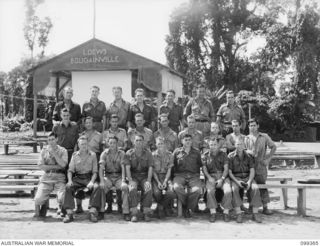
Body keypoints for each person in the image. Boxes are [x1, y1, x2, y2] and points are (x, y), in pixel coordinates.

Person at [62, 136, 102, 223]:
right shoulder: (74, 155)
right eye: (82, 144)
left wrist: (91, 182)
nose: (84, 146)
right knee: (68, 187)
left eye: (85, 144)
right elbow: (70, 170)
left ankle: (92, 211)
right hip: (78, 178)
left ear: (87, 144)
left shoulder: (93, 155)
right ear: (78, 145)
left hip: (89, 177)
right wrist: (70, 181)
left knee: (97, 187)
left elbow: (95, 172)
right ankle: (69, 213)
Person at [244, 118, 277, 215]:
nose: (252, 127)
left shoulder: (264, 136)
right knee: (250, 187)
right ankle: (251, 206)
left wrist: (268, 159)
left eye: (254, 125)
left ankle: (265, 207)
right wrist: (247, 151)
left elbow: (273, 147)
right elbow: (243, 149)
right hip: (249, 167)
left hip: (261, 166)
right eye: (250, 126)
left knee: (262, 186)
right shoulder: (246, 138)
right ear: (248, 127)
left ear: (258, 126)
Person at [33, 132, 68, 220]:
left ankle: (61, 208)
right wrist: (56, 166)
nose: (51, 142)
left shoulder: (63, 150)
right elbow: (41, 165)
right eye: (49, 140)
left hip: (59, 177)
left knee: (62, 198)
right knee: (38, 200)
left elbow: (63, 165)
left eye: (52, 139)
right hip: (47, 177)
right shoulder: (44, 150)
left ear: (57, 139)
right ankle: (44, 206)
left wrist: (54, 154)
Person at [228, 139, 263, 223]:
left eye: (241, 144)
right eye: (237, 144)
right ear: (235, 145)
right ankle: (239, 213)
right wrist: (237, 182)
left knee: (255, 188)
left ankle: (255, 213)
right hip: (236, 178)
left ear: (244, 146)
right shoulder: (230, 156)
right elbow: (229, 172)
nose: (239, 146)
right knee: (234, 189)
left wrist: (249, 181)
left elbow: (252, 170)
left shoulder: (248, 156)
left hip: (248, 177)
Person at [98, 136, 130, 221]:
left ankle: (126, 212)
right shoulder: (104, 153)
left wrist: (123, 180)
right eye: (111, 143)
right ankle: (101, 211)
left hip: (119, 176)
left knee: (125, 188)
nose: (112, 144)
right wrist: (101, 181)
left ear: (117, 144)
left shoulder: (122, 153)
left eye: (114, 143)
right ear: (108, 143)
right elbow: (101, 168)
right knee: (101, 187)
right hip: (108, 176)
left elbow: (123, 167)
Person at [76, 116, 102, 214]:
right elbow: (77, 148)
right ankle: (79, 206)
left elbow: (101, 149)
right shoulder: (81, 135)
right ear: (84, 124)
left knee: (95, 184)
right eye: (86, 123)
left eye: (90, 122)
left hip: (95, 160)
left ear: (93, 123)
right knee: (79, 183)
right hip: (83, 160)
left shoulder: (99, 135)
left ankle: (93, 205)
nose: (88, 124)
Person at [124, 135, 154, 222]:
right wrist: (130, 180)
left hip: (144, 176)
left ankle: (146, 211)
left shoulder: (148, 153)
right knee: (132, 188)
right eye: (137, 140)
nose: (138, 142)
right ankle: (134, 213)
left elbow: (150, 167)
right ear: (134, 142)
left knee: (148, 188)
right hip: (133, 176)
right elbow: (127, 168)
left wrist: (148, 180)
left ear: (143, 142)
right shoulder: (129, 153)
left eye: (140, 140)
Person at [202, 138, 232, 222]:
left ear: (218, 145)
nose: (213, 146)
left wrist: (222, 179)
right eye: (211, 145)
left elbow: (226, 169)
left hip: (223, 176)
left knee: (228, 191)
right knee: (210, 191)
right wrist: (209, 178)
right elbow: (204, 169)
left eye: (215, 144)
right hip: (211, 176)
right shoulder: (205, 155)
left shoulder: (223, 154)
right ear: (209, 146)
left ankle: (226, 212)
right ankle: (213, 213)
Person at [173, 134, 203, 218]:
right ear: (182, 141)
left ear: (192, 141)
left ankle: (187, 207)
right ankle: (186, 206)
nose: (188, 141)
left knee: (197, 190)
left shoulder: (197, 152)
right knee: (176, 187)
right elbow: (172, 165)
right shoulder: (177, 152)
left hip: (193, 176)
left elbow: (201, 165)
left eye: (189, 139)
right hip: (180, 175)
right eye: (185, 140)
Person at [152, 137, 176, 219]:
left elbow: (169, 170)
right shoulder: (152, 155)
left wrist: (165, 181)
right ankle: (165, 208)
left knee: (171, 192)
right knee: (156, 192)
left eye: (162, 143)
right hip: (156, 177)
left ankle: (160, 207)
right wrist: (158, 182)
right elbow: (153, 171)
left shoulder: (170, 155)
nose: (160, 145)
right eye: (158, 144)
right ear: (156, 145)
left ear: (165, 144)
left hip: (166, 176)